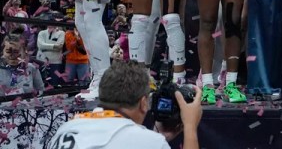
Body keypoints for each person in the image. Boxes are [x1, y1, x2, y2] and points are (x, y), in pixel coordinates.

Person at [50, 60, 203, 149]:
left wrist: (156, 137)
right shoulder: (149, 143)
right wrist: (190, 127)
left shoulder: (67, 128)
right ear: (144, 103)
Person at [36, 22, 65, 86]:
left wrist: (45, 47)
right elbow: (40, 45)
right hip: (42, 61)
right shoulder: (42, 33)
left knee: (55, 82)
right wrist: (53, 46)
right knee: (42, 82)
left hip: (55, 62)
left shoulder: (61, 33)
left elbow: (59, 47)